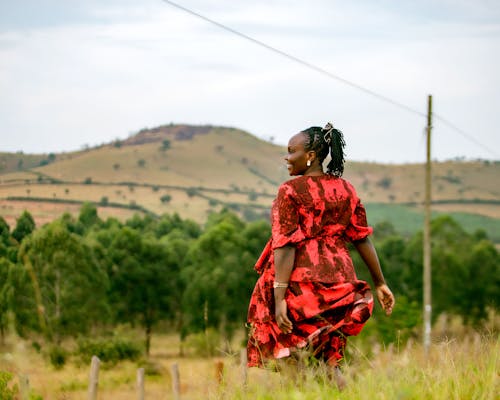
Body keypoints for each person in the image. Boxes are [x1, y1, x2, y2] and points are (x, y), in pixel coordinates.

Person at [246, 122, 395, 383]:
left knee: (292, 358)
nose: (287, 157)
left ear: (311, 156)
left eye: (292, 151)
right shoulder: (346, 189)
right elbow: (362, 238)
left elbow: (285, 244)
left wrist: (279, 297)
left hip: (301, 286)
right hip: (340, 282)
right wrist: (380, 282)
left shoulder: (290, 191)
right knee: (329, 359)